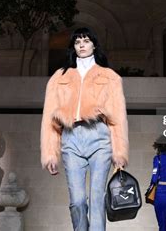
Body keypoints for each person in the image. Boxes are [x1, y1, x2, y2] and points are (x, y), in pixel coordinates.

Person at [40, 27, 129, 231]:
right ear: (73, 46)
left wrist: (120, 153)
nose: (82, 44)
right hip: (71, 138)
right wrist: (50, 154)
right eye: (78, 41)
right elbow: (49, 120)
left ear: (94, 45)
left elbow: (118, 118)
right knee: (78, 200)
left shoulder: (110, 77)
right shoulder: (59, 77)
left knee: (98, 197)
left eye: (86, 41)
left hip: (100, 136)